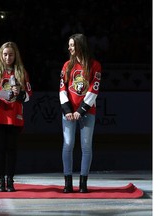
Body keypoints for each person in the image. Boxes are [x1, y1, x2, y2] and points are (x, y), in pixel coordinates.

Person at [0, 42, 32, 192]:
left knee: (12, 149)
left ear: (16, 56)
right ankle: (0, 181)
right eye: (5, 54)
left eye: (11, 54)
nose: (8, 57)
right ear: (0, 56)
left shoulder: (21, 72)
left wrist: (20, 93)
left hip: (14, 116)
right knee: (0, 149)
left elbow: (28, 95)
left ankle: (10, 181)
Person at [59, 33, 102, 193]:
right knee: (68, 144)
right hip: (69, 112)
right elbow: (62, 88)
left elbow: (94, 89)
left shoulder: (95, 65)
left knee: (86, 146)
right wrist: (68, 110)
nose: (69, 48)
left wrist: (81, 110)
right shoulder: (66, 66)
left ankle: (83, 183)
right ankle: (67, 183)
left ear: (80, 46)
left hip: (87, 111)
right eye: (69, 45)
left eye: (72, 45)